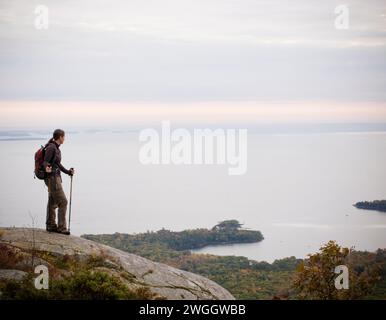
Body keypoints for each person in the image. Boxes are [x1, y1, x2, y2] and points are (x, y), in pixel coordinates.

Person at [42, 129, 74, 235]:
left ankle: (50, 225)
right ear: (60, 137)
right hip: (53, 178)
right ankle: (61, 227)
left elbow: (58, 164)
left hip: (54, 177)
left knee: (52, 202)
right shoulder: (52, 147)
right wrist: (46, 167)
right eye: (64, 137)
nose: (64, 139)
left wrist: (68, 172)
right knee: (63, 201)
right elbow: (45, 161)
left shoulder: (55, 148)